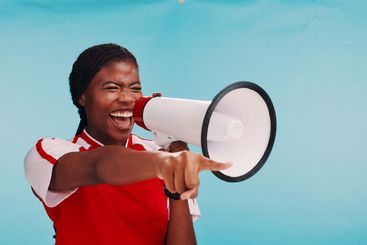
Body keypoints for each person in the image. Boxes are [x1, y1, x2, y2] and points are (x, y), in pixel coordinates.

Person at [24, 43, 231, 245]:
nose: (126, 98)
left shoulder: (159, 153)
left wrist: (176, 190)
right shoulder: (51, 153)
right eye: (112, 88)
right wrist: (165, 163)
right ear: (82, 96)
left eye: (135, 88)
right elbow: (100, 166)